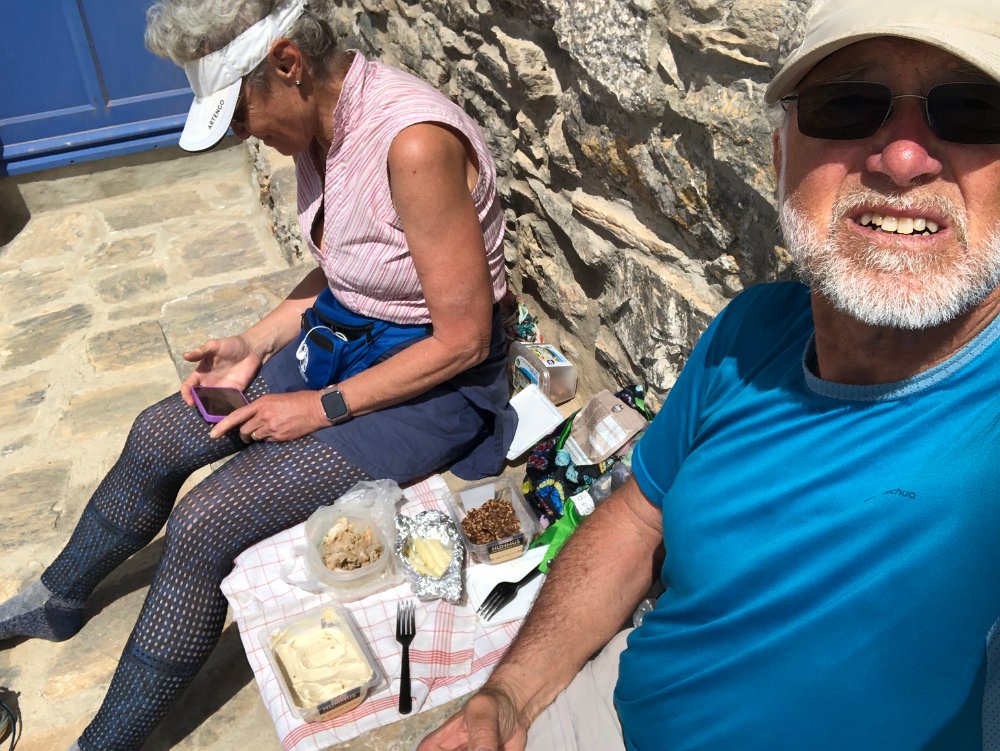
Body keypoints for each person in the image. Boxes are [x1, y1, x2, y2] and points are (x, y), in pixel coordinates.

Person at [418, 0, 1000, 749]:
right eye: (848, 103)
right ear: (779, 158)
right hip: (613, 708)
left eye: (975, 110)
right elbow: (640, 516)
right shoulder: (750, 333)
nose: (904, 158)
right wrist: (510, 695)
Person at [0, 0, 516, 748]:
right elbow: (351, 267)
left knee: (205, 522)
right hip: (349, 340)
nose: (242, 134)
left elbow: (464, 339)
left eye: (239, 114)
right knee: (158, 433)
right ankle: (58, 597)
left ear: (288, 64)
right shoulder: (320, 126)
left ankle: (100, 744)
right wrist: (255, 340)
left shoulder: (412, 143)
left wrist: (321, 406)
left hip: (432, 385)